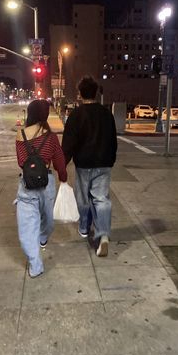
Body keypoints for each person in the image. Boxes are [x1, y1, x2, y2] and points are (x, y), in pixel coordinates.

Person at [62, 76, 117, 257]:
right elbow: (113, 140)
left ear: (80, 94)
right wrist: (111, 159)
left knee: (83, 198)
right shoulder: (106, 114)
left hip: (84, 164)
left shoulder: (76, 115)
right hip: (103, 163)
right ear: (96, 92)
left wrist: (63, 163)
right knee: (101, 199)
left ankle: (85, 227)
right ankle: (103, 236)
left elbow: (69, 142)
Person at [16, 99, 67, 278]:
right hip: (47, 184)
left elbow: (21, 162)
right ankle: (42, 239)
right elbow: (60, 160)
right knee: (48, 221)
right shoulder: (51, 137)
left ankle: (35, 264)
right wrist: (63, 177)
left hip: (26, 185)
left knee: (27, 228)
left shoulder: (20, 135)